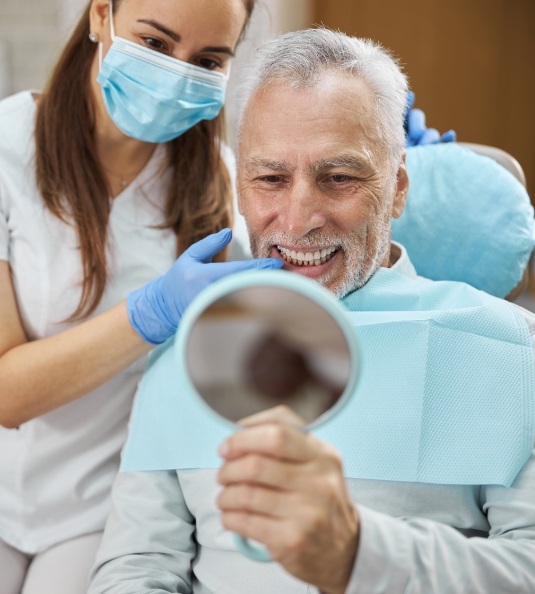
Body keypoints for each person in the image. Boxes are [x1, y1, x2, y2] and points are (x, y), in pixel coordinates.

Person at [88, 28, 535, 594]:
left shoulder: (511, 349)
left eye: (339, 178)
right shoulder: (185, 352)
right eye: (270, 179)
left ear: (397, 188)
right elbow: (137, 565)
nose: (297, 220)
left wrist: (359, 554)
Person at [0, 1, 295, 592]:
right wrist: (151, 312)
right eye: (157, 44)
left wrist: (393, 166)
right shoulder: (8, 148)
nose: (178, 73)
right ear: (100, 15)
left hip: (102, 505)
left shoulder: (221, 185)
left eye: (208, 59)